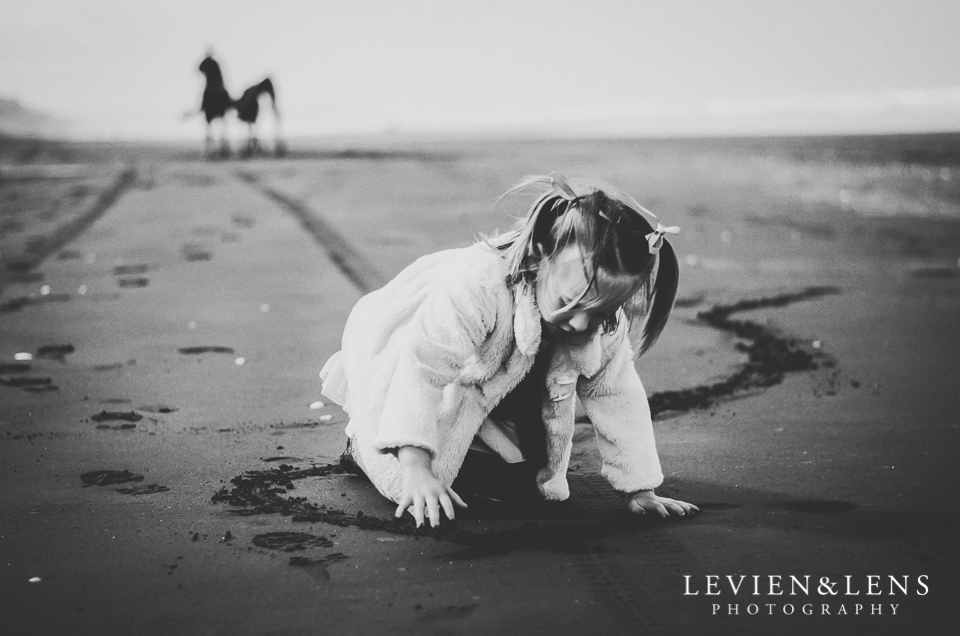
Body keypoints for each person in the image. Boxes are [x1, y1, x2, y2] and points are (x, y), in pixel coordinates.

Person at [320, 174, 699, 528]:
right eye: (570, 303)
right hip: (413, 343)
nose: (583, 325)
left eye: (598, 311)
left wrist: (640, 487)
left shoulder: (600, 315)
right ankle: (361, 447)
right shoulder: (478, 285)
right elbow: (422, 368)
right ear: (539, 259)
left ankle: (481, 439)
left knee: (520, 479)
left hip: (501, 379)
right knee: (405, 470)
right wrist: (416, 468)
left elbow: (616, 393)